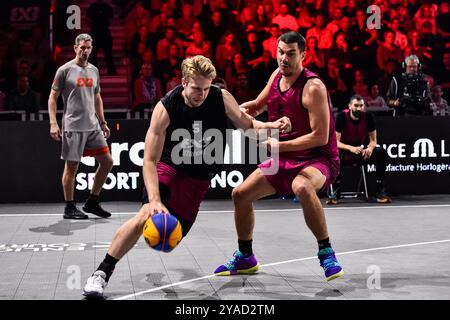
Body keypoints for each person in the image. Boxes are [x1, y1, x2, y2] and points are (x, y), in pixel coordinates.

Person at [82, 55, 291, 298]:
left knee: (171, 239)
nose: (201, 94)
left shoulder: (220, 97)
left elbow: (247, 126)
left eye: (205, 88)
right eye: (195, 88)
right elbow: (149, 160)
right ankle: (101, 273)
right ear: (183, 82)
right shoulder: (166, 107)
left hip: (198, 180)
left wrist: (272, 125)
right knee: (146, 213)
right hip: (170, 168)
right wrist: (155, 199)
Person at [214, 31, 344, 282]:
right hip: (284, 157)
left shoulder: (313, 87)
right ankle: (245, 257)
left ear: (304, 55)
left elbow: (320, 136)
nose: (284, 59)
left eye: (290, 54)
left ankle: (326, 252)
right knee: (240, 194)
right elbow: (257, 106)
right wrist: (235, 110)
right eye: (280, 52)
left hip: (318, 159)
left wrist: (277, 145)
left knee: (302, 186)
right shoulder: (276, 76)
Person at [48, 34, 113, 220]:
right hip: (73, 126)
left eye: (88, 48)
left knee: (107, 162)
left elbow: (97, 97)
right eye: (82, 47)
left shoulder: (94, 70)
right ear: (75, 48)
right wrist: (53, 123)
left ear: (92, 49)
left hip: (93, 126)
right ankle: (69, 207)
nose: (85, 51)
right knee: (72, 167)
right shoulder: (64, 70)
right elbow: (52, 98)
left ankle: (92, 201)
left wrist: (103, 122)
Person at [327, 95, 391, 205]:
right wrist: (351, 148)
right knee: (334, 154)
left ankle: (380, 191)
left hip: (361, 152)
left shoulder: (368, 117)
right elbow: (335, 142)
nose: (359, 108)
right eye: (356, 105)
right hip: (345, 151)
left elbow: (373, 140)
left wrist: (370, 149)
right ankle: (335, 193)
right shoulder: (341, 117)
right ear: (350, 106)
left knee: (380, 152)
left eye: (361, 106)